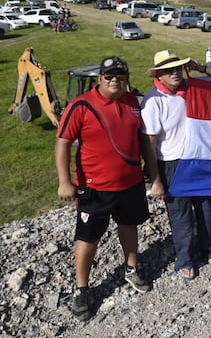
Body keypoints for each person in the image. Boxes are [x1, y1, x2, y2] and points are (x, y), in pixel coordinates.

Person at [55, 56, 164, 321]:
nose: (115, 79)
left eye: (120, 75)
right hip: (95, 189)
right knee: (88, 238)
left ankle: (131, 268)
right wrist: (64, 181)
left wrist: (155, 177)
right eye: (109, 75)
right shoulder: (81, 105)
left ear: (127, 78)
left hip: (131, 184)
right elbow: (63, 143)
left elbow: (143, 143)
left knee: (129, 227)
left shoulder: (132, 103)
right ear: (100, 78)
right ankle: (81, 289)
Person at [140, 49, 211, 281]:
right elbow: (149, 145)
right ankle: (185, 258)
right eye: (168, 70)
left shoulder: (193, 87)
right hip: (171, 163)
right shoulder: (152, 101)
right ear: (159, 75)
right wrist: (156, 180)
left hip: (199, 158)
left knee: (207, 207)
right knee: (181, 214)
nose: (174, 73)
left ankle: (209, 248)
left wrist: (199, 66)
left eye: (178, 67)